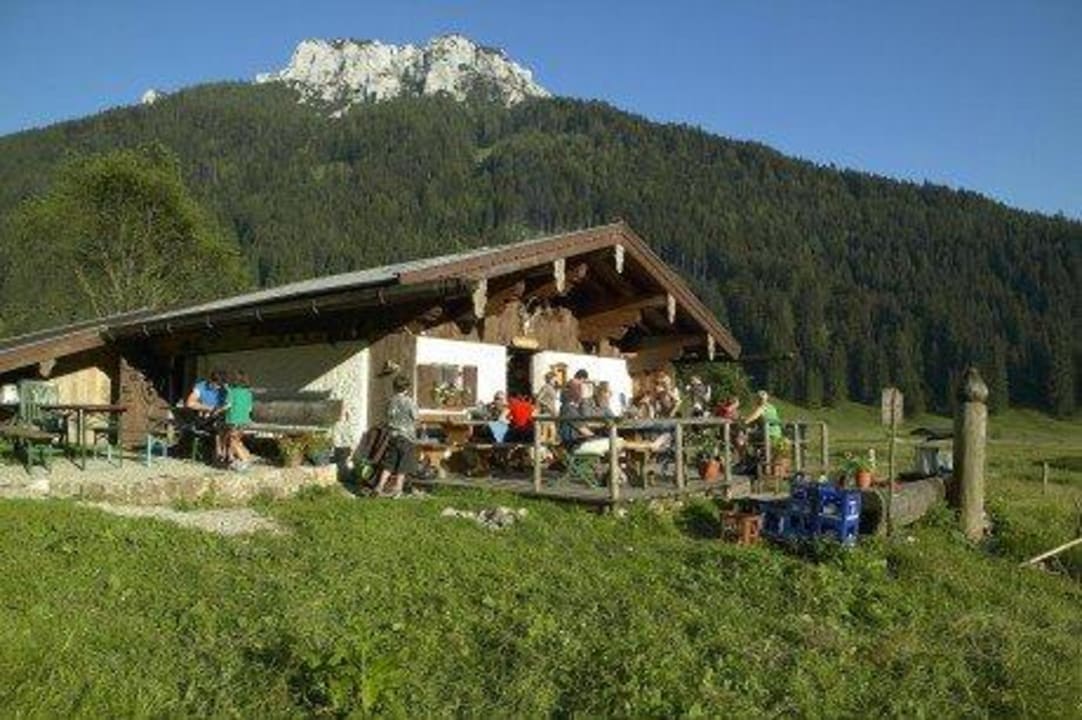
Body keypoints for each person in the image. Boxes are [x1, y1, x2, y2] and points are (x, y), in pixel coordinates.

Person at [375, 374, 418, 498]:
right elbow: (415, 417)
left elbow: (388, 417)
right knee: (402, 466)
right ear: (407, 388)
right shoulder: (409, 402)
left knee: (389, 464)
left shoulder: (391, 401)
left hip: (393, 436)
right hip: (406, 437)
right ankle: (397, 490)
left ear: (394, 387)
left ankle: (379, 486)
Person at [184, 370, 227, 463]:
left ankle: (225, 456)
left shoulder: (224, 389)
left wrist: (221, 410)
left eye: (220, 385)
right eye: (216, 385)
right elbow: (189, 403)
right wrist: (207, 408)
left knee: (228, 428)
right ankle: (219, 456)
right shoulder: (201, 387)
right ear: (211, 381)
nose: (217, 388)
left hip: (219, 418)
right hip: (203, 419)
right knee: (218, 427)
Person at [222, 370, 254, 471]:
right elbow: (249, 409)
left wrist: (218, 410)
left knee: (233, 441)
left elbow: (228, 405)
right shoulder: (248, 393)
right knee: (237, 440)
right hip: (244, 421)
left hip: (233, 420)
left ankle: (244, 461)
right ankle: (246, 459)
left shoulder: (232, 391)